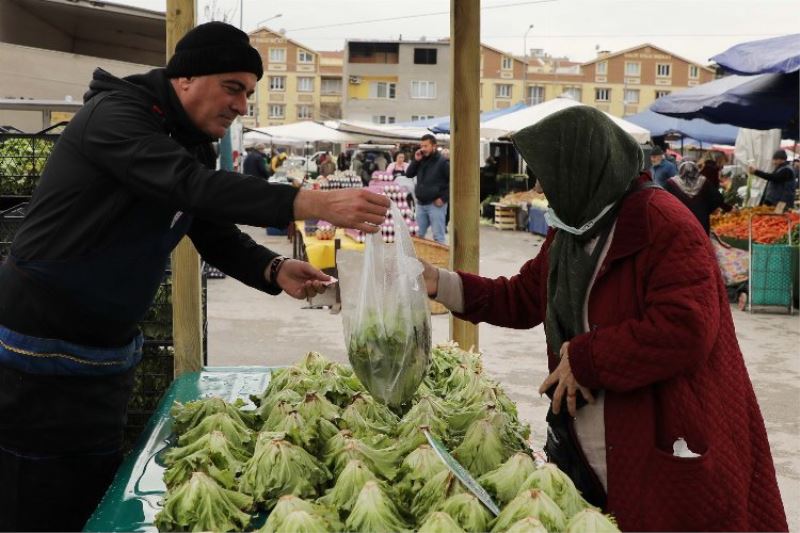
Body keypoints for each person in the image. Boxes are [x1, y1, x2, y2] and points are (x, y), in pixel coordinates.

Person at [0, 21, 390, 532]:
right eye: (233, 87)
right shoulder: (115, 116)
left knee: (89, 488)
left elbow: (209, 226)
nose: (241, 105)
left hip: (105, 354)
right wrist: (310, 201)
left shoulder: (189, 141)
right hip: (40, 349)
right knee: (36, 497)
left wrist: (272, 268)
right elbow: (190, 185)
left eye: (249, 93)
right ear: (185, 78)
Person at [420, 107, 787, 532]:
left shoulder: (662, 223)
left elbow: (686, 328)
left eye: (547, 173)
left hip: (664, 436)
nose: (539, 187)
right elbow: (522, 297)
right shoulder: (574, 230)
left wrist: (587, 358)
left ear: (583, 166)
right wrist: (439, 283)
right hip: (595, 447)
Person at [664, 160, 731, 234]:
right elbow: (718, 198)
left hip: (680, 221)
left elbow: (665, 202)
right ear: (696, 170)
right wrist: (706, 209)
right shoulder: (704, 182)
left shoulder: (671, 183)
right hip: (701, 221)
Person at [406, 133, 449, 244]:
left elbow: (453, 182)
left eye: (426, 146)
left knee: (438, 237)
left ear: (434, 146)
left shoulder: (443, 162)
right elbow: (409, 174)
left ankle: (441, 261)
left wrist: (444, 198)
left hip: (436, 205)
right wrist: (416, 160)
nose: (423, 149)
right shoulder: (421, 159)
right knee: (417, 236)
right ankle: (419, 260)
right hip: (421, 204)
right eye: (422, 146)